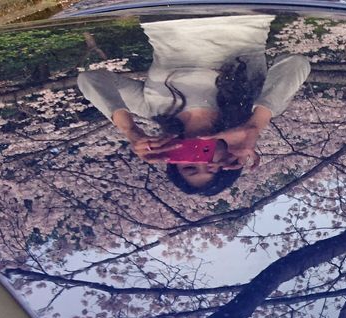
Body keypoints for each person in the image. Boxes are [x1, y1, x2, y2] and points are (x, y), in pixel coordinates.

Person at [77, 15, 310, 195]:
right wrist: (254, 126)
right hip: (241, 11)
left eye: (190, 168)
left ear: (172, 160)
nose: (201, 161)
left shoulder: (153, 109)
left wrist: (131, 131)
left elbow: (91, 78)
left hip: (166, 12)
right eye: (211, 167)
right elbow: (296, 63)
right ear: (229, 158)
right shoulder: (256, 111)